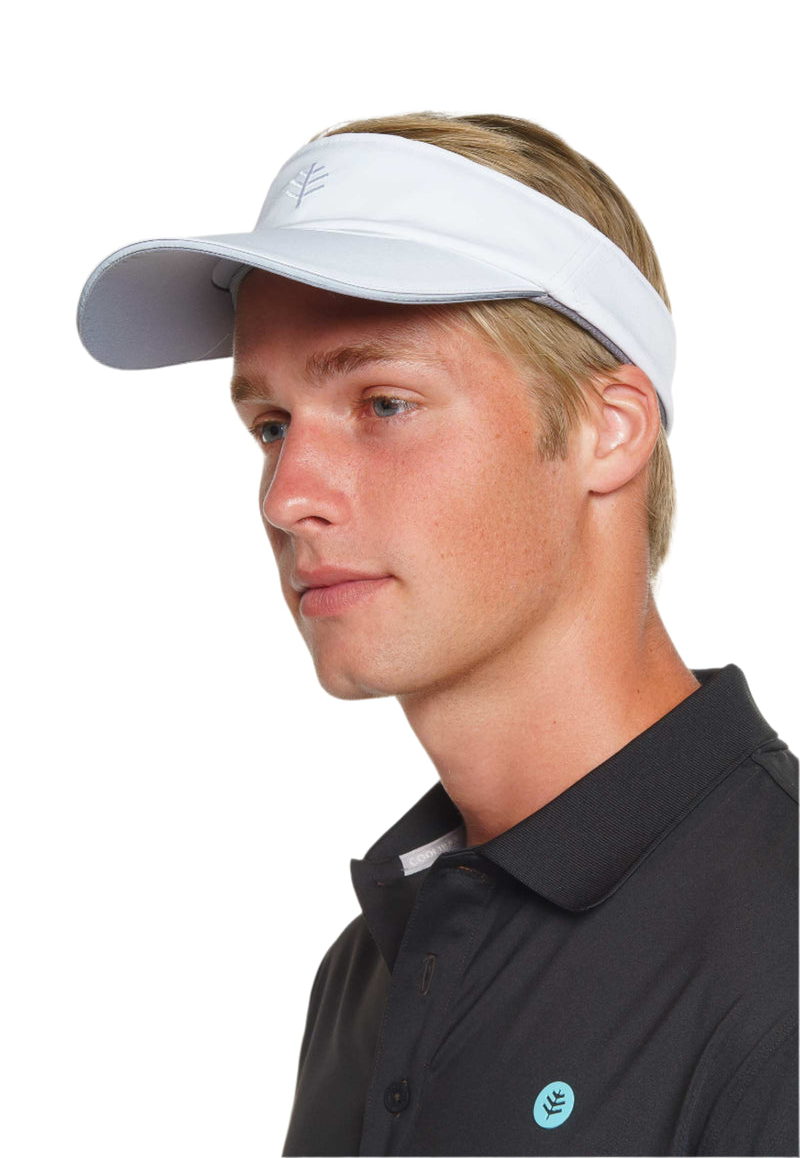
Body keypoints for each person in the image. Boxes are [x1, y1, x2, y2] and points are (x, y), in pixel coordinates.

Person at [76, 111, 798, 1157]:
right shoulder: (371, 969)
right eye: (271, 425)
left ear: (608, 430)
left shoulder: (776, 955)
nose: (287, 497)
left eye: (382, 404)